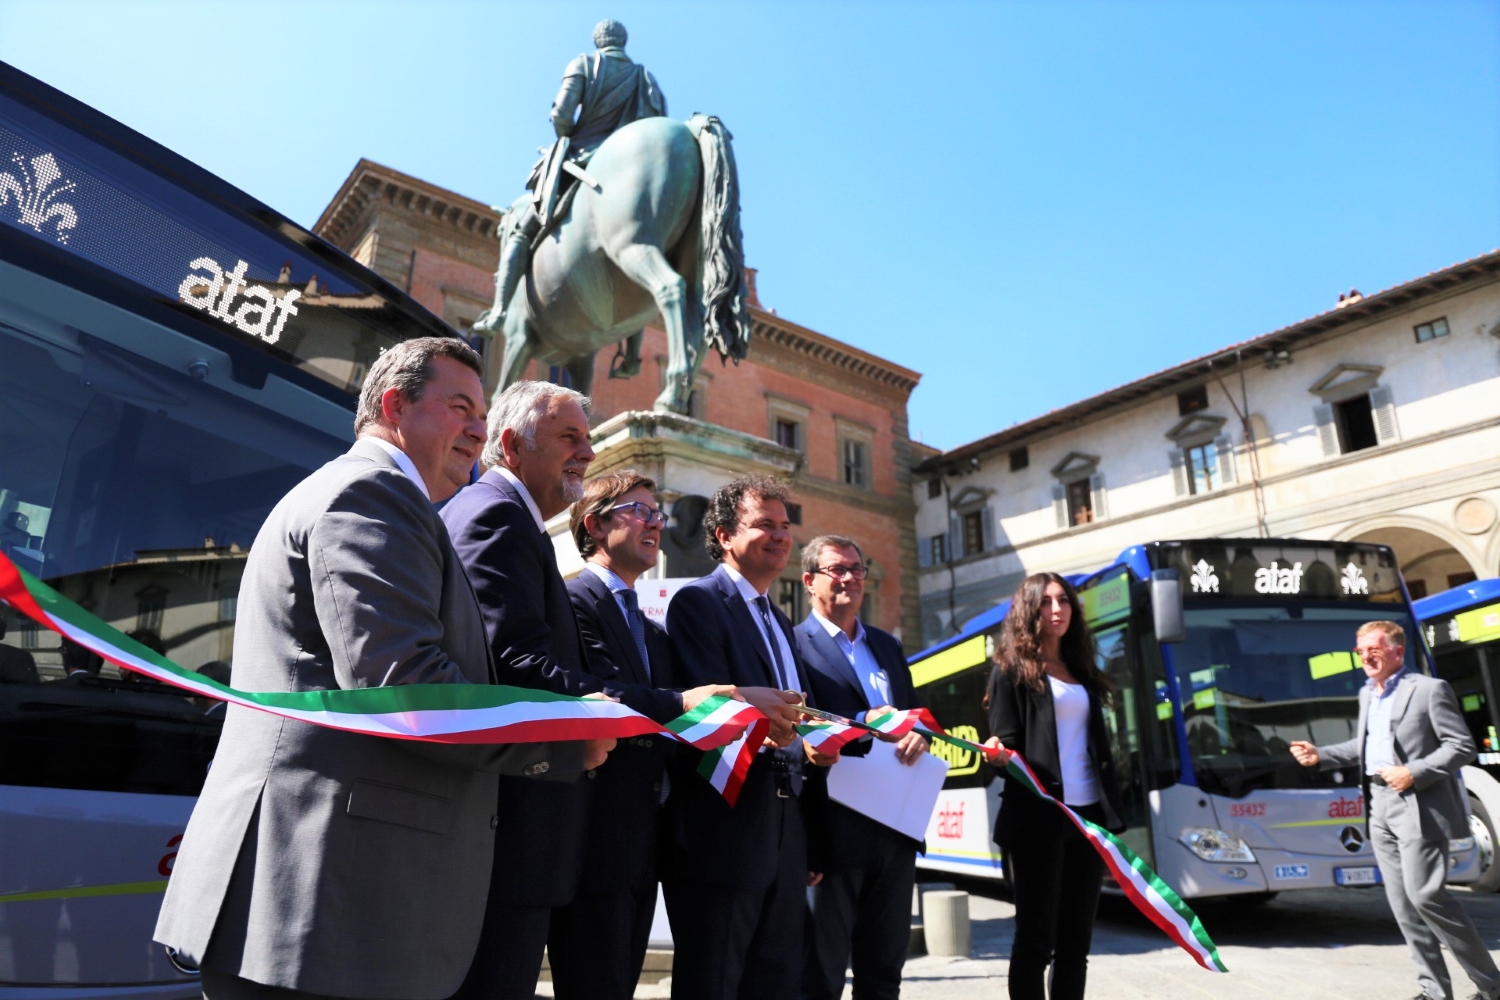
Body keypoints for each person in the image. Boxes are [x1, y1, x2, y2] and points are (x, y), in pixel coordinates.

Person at [154, 337, 589, 1000]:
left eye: (481, 411)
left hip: (333, 906)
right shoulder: (371, 494)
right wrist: (565, 743)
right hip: (317, 901)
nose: (479, 427)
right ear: (395, 405)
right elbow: (403, 686)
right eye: (460, 407)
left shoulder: (395, 503)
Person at [556, 470, 795, 999]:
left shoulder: (649, 626)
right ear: (595, 524)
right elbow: (589, 693)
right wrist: (719, 701)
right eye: (638, 511)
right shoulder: (572, 600)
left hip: (648, 835)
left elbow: (679, 725)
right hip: (595, 826)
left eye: (656, 514)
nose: (654, 524)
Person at [661, 474, 819, 1000]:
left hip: (784, 817)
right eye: (764, 525)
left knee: (775, 976)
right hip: (724, 821)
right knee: (715, 977)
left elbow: (797, 712)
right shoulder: (697, 604)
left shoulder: (780, 619)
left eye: (785, 526)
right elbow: (701, 713)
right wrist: (763, 717)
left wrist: (819, 733)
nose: (780, 536)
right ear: (725, 535)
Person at [1290, 621, 1500, 1000]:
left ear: (1397, 651)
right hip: (1378, 804)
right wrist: (1320, 754)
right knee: (1403, 905)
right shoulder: (1367, 693)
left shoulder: (1428, 690)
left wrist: (1413, 773)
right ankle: (1434, 990)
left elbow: (1461, 746)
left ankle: (1492, 984)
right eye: (1360, 651)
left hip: (1418, 803)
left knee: (1425, 896)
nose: (1365, 657)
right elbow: (1364, 747)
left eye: (1374, 648)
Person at [484, 18, 666, 379]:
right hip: (629, 172)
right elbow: (654, 127)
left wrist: (563, 122)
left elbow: (563, 118)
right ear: (623, 41)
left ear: (599, 41)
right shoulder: (645, 78)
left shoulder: (583, 64)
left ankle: (499, 311)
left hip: (583, 162)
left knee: (522, 231)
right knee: (640, 250)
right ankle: (631, 355)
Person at [981, 572, 1126, 1000]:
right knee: (1035, 941)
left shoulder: (1083, 670)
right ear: (1029, 610)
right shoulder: (1010, 672)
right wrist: (997, 753)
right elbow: (1005, 742)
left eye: (1063, 600)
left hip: (1088, 820)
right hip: (1038, 819)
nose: (1057, 609)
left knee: (1075, 946)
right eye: (1045, 602)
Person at [796, 534, 928, 1000]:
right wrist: (859, 723)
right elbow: (796, 730)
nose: (851, 577)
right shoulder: (796, 646)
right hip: (832, 834)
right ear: (809, 581)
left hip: (894, 830)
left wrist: (919, 734)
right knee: (821, 975)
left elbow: (915, 715)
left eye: (858, 568)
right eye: (839, 569)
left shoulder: (887, 647)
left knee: (884, 971)